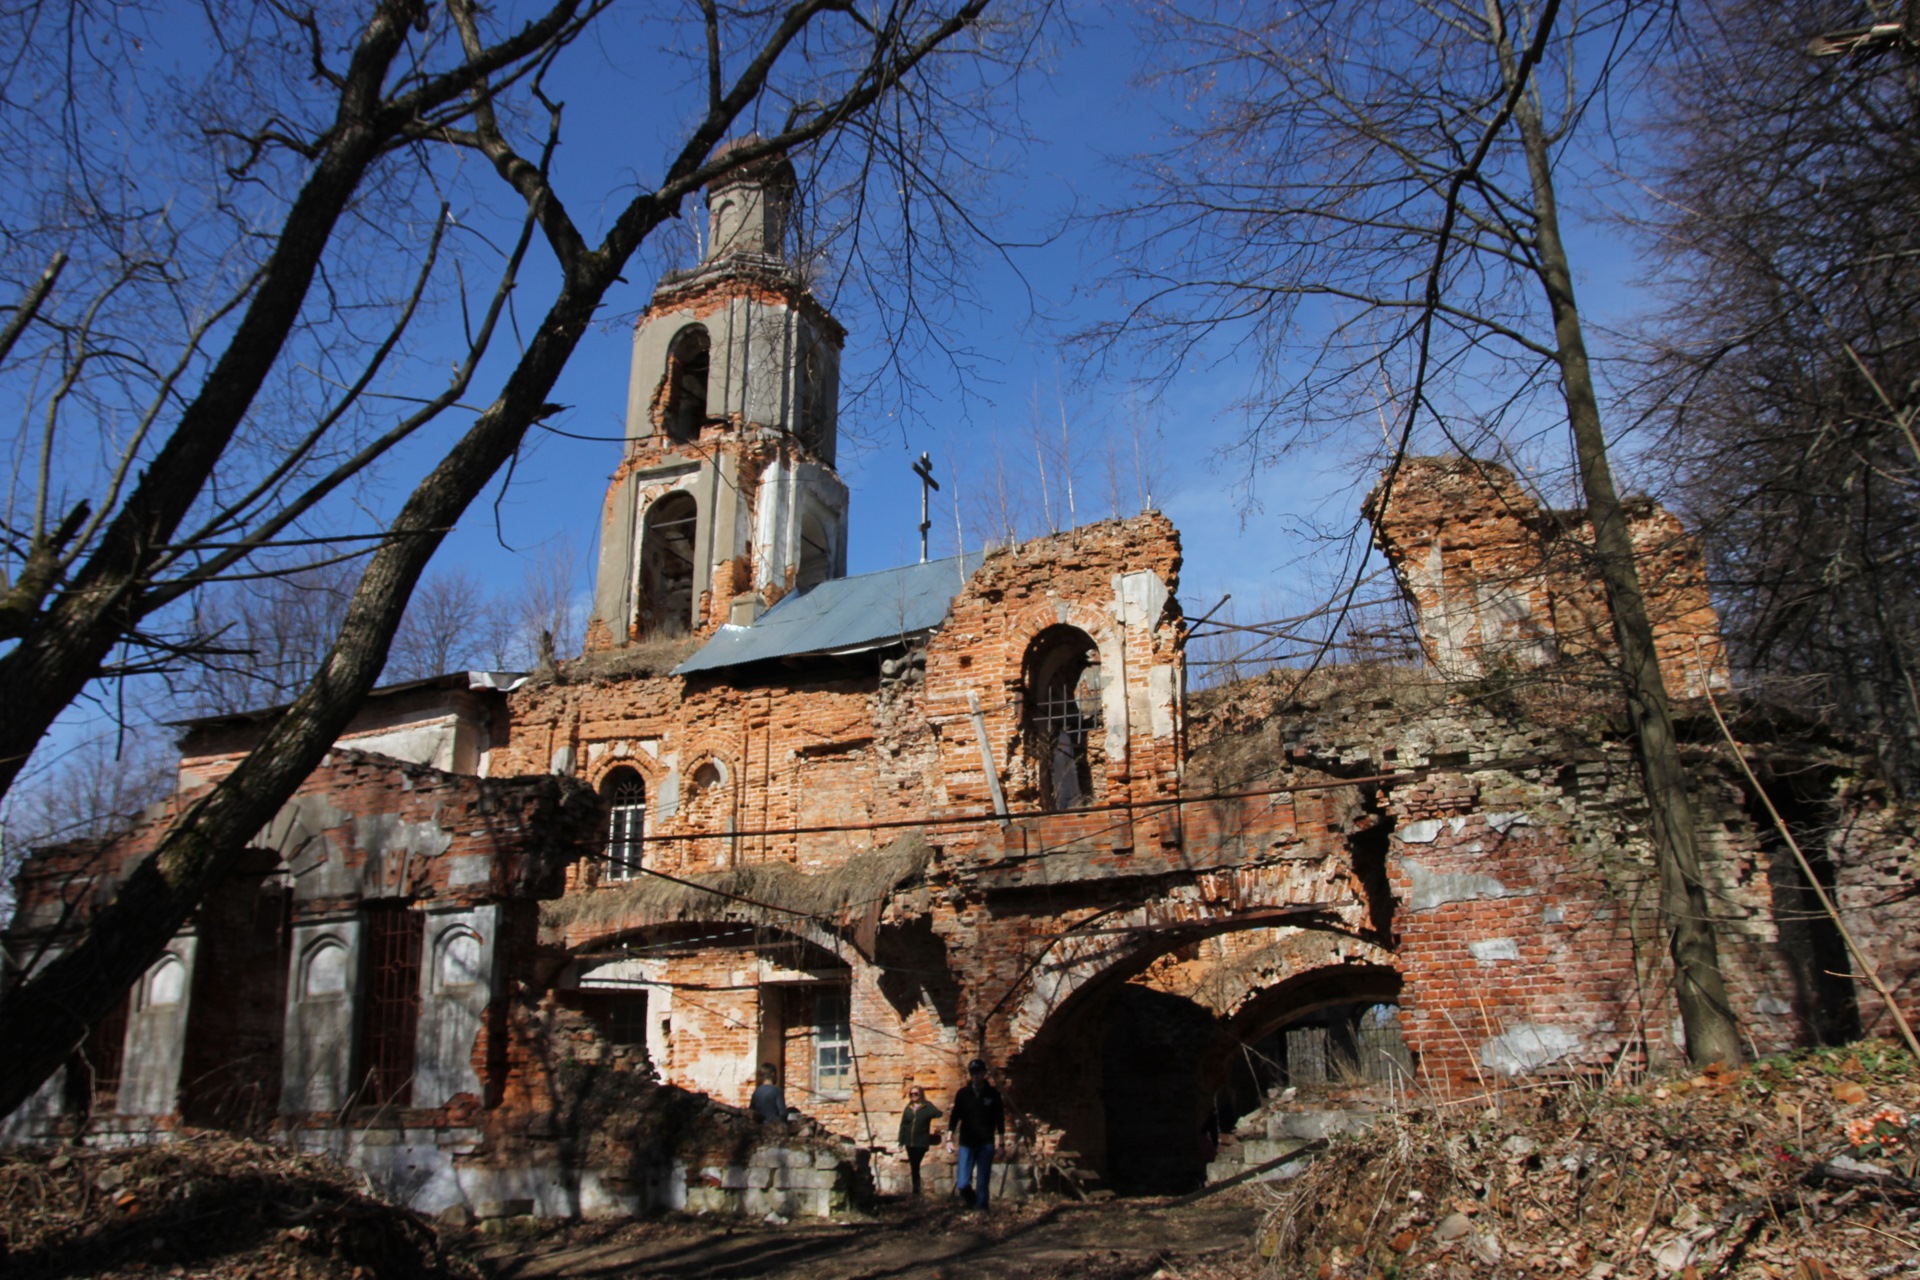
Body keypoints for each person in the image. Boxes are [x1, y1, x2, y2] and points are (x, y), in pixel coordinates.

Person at [946, 1057, 1005, 1210]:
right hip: (967, 1143)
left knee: (982, 1181)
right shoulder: (963, 1094)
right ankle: (972, 1202)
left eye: (978, 1073)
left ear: (984, 1073)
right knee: (963, 1183)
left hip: (986, 1143)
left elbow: (1000, 1120)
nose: (975, 1076)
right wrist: (949, 1138)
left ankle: (982, 1210)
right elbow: (955, 1116)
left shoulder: (993, 1094)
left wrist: (1001, 1144)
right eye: (972, 1073)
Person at [897, 1083, 941, 1197]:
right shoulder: (908, 1108)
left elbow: (938, 1113)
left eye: (916, 1094)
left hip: (921, 1142)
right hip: (909, 1142)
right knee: (914, 1165)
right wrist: (901, 1141)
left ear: (921, 1094)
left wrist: (938, 1126)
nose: (914, 1096)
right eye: (911, 1094)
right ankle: (916, 1190)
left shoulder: (927, 1106)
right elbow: (903, 1125)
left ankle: (916, 1189)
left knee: (916, 1164)